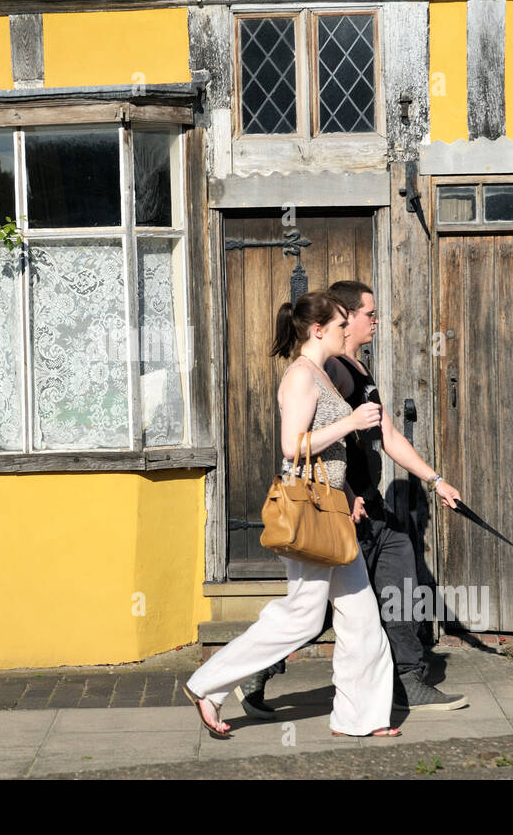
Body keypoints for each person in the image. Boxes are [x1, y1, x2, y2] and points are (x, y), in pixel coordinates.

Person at [238, 281, 468, 716]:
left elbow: (388, 435)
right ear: (342, 317)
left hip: (370, 506)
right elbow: (309, 440)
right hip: (342, 508)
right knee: (319, 609)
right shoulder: (332, 371)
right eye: (368, 314)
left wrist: (435, 479)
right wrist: (345, 491)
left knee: (395, 581)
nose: (375, 321)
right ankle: (258, 669)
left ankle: (407, 679)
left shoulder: (358, 370)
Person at [182, 291, 397, 738]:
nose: (346, 331)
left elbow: (327, 449)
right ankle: (208, 685)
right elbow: (291, 446)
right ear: (318, 330)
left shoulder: (321, 373)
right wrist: (351, 423)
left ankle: (360, 718)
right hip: (308, 510)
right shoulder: (301, 375)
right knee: (302, 615)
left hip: (333, 506)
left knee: (361, 618)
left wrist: (351, 490)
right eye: (341, 325)